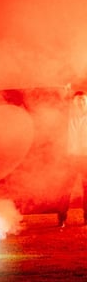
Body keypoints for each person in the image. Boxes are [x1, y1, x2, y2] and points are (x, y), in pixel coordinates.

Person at [57, 90, 87, 228]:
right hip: (69, 158)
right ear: (73, 103)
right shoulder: (66, 116)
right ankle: (62, 218)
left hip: (85, 158)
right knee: (65, 189)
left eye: (83, 100)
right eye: (78, 101)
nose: (81, 103)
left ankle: (86, 218)